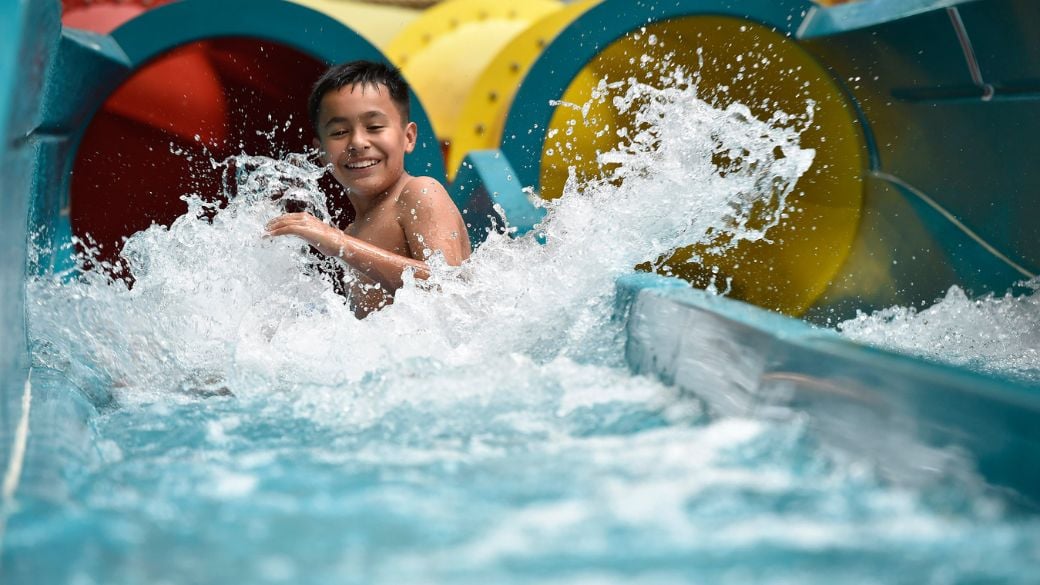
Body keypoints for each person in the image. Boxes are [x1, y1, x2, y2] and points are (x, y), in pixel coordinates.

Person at [265, 61, 471, 318]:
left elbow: (450, 288)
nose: (358, 143)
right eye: (339, 132)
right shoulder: (354, 231)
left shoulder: (419, 192)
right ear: (320, 152)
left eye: (374, 127)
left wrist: (339, 243)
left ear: (408, 137)